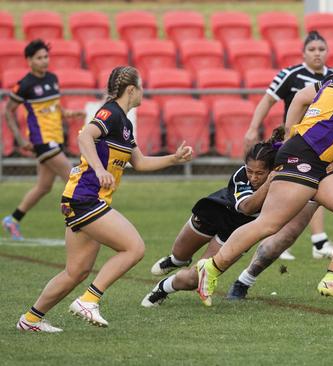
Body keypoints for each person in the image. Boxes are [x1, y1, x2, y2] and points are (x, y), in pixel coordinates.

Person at [196, 44, 333, 305]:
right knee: (269, 225)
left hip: (326, 162)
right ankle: (210, 268)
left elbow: (312, 100)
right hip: (303, 155)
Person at [16, 66, 193, 332]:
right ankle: (89, 299)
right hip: (85, 198)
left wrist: (174, 159)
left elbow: (140, 163)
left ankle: (30, 320)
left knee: (76, 272)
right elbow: (85, 136)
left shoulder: (125, 122)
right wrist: (99, 169)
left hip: (84, 200)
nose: (144, 91)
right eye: (141, 86)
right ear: (131, 90)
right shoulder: (110, 113)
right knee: (134, 248)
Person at [142, 134, 282, 307]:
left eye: (259, 173)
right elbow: (247, 207)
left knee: (194, 279)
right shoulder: (242, 176)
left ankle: (162, 288)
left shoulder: (282, 182)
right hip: (216, 211)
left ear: (272, 170)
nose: (253, 177)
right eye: (250, 171)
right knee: (179, 253)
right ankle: (177, 261)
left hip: (238, 230)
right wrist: (267, 183)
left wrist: (271, 182)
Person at [243, 31, 333, 260]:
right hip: (292, 143)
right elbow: (268, 99)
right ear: (303, 53)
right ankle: (270, 238)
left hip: (319, 144)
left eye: (321, 49)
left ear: (327, 52)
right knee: (282, 189)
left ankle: (318, 241)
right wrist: (254, 127)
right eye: (312, 49)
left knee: (316, 187)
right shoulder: (290, 74)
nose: (317, 53)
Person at [2, 39, 85, 241]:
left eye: (46, 57)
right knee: (73, 177)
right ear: (29, 60)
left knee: (43, 187)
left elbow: (55, 108)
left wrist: (70, 113)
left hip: (55, 137)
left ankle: (12, 220)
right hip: (42, 141)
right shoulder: (24, 85)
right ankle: (81, 222)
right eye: (39, 58)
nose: (44, 61)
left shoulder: (53, 78)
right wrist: (20, 139)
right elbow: (8, 111)